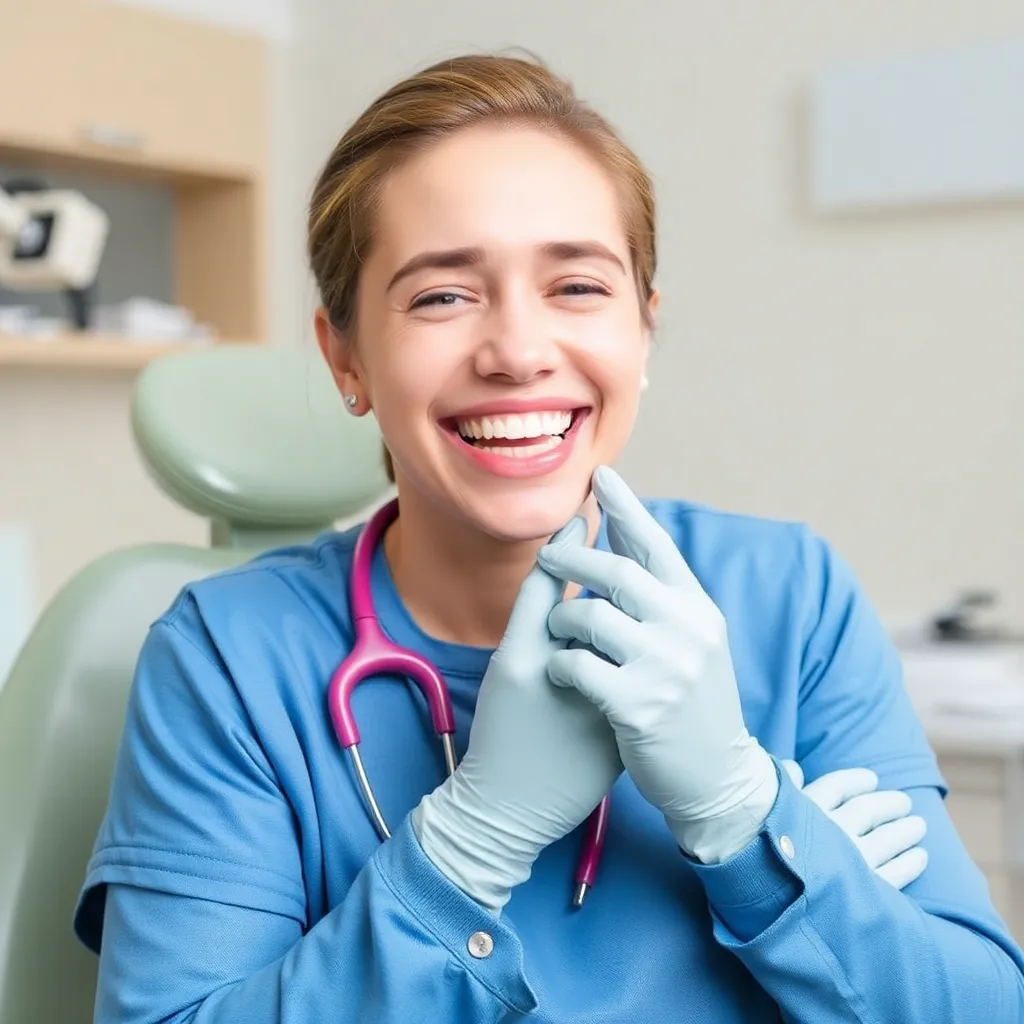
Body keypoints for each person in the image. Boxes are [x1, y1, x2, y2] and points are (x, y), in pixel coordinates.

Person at [73, 53, 1024, 1022]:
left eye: (576, 286)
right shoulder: (229, 657)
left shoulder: (789, 598)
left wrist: (744, 817)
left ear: (643, 333)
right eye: (441, 295)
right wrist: (467, 845)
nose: (519, 352)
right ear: (345, 355)